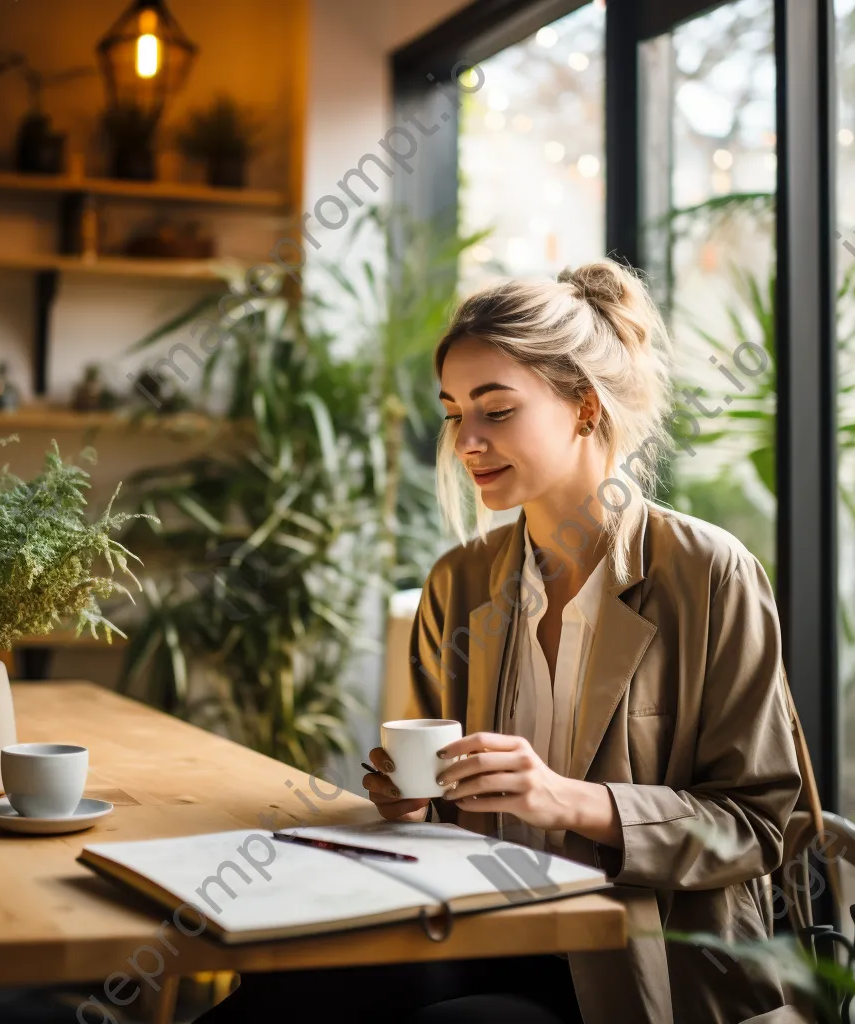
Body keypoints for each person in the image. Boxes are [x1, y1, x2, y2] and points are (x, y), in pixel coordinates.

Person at [197, 260, 803, 1024]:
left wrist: (570, 801)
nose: (466, 441)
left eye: (496, 410)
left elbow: (756, 826)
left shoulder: (709, 576)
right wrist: (409, 804)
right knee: (277, 991)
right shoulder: (460, 582)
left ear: (584, 408)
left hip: (629, 959)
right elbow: (433, 816)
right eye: (453, 413)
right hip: (469, 926)